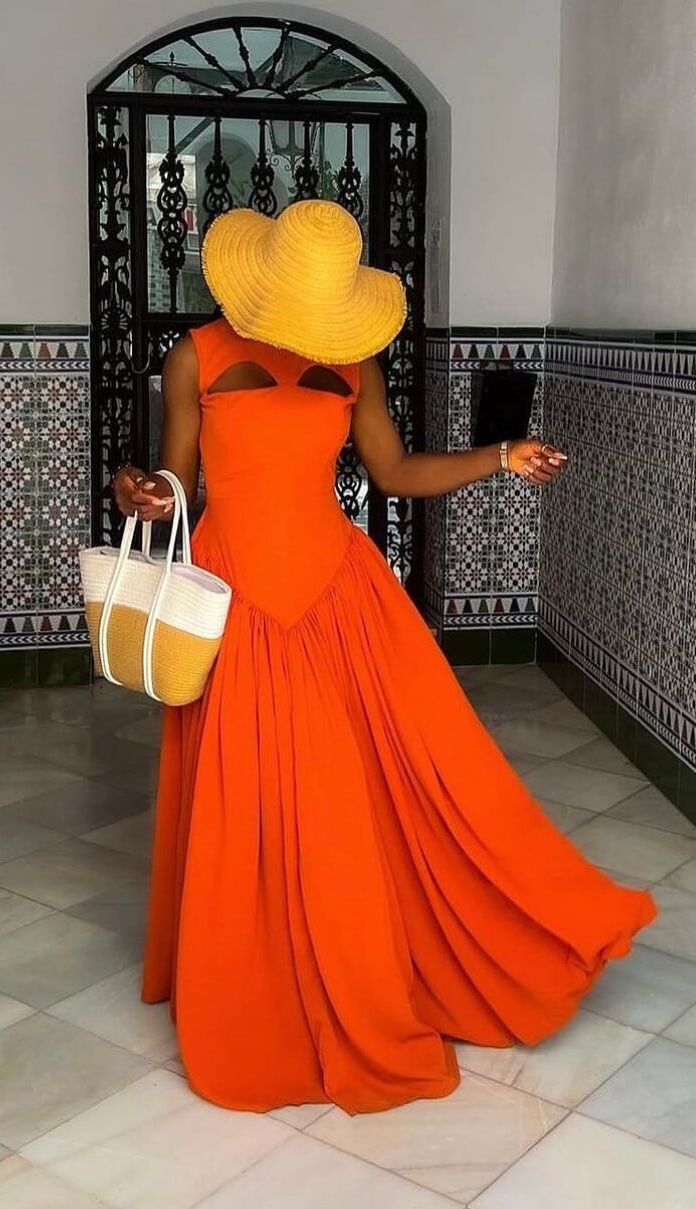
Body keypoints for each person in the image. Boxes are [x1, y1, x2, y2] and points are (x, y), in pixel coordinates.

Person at [113, 199, 655, 1116]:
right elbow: (177, 481)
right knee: (251, 789)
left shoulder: (351, 359)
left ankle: (376, 954)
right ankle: (258, 978)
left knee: (398, 778)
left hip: (337, 591)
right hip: (235, 595)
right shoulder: (193, 355)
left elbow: (394, 472)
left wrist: (499, 456)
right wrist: (141, 491)